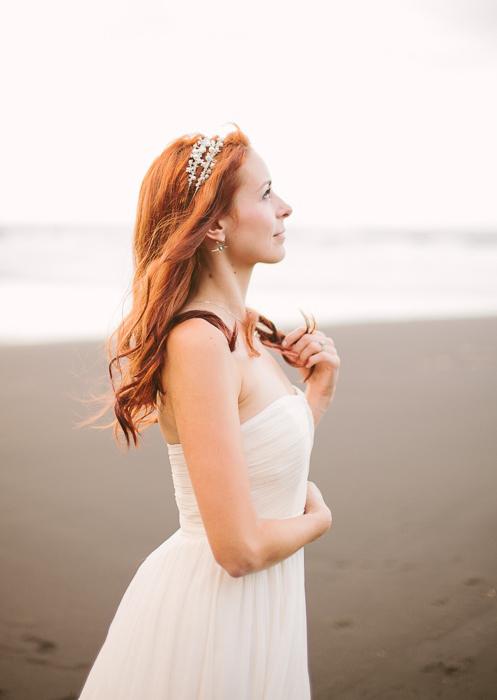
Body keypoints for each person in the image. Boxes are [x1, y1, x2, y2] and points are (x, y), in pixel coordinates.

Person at [77, 123, 340, 699]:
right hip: (212, 612)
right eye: (267, 193)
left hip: (258, 604)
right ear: (215, 222)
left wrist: (315, 395)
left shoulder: (242, 329)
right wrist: (317, 522)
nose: (286, 207)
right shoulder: (198, 342)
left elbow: (258, 467)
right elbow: (238, 550)